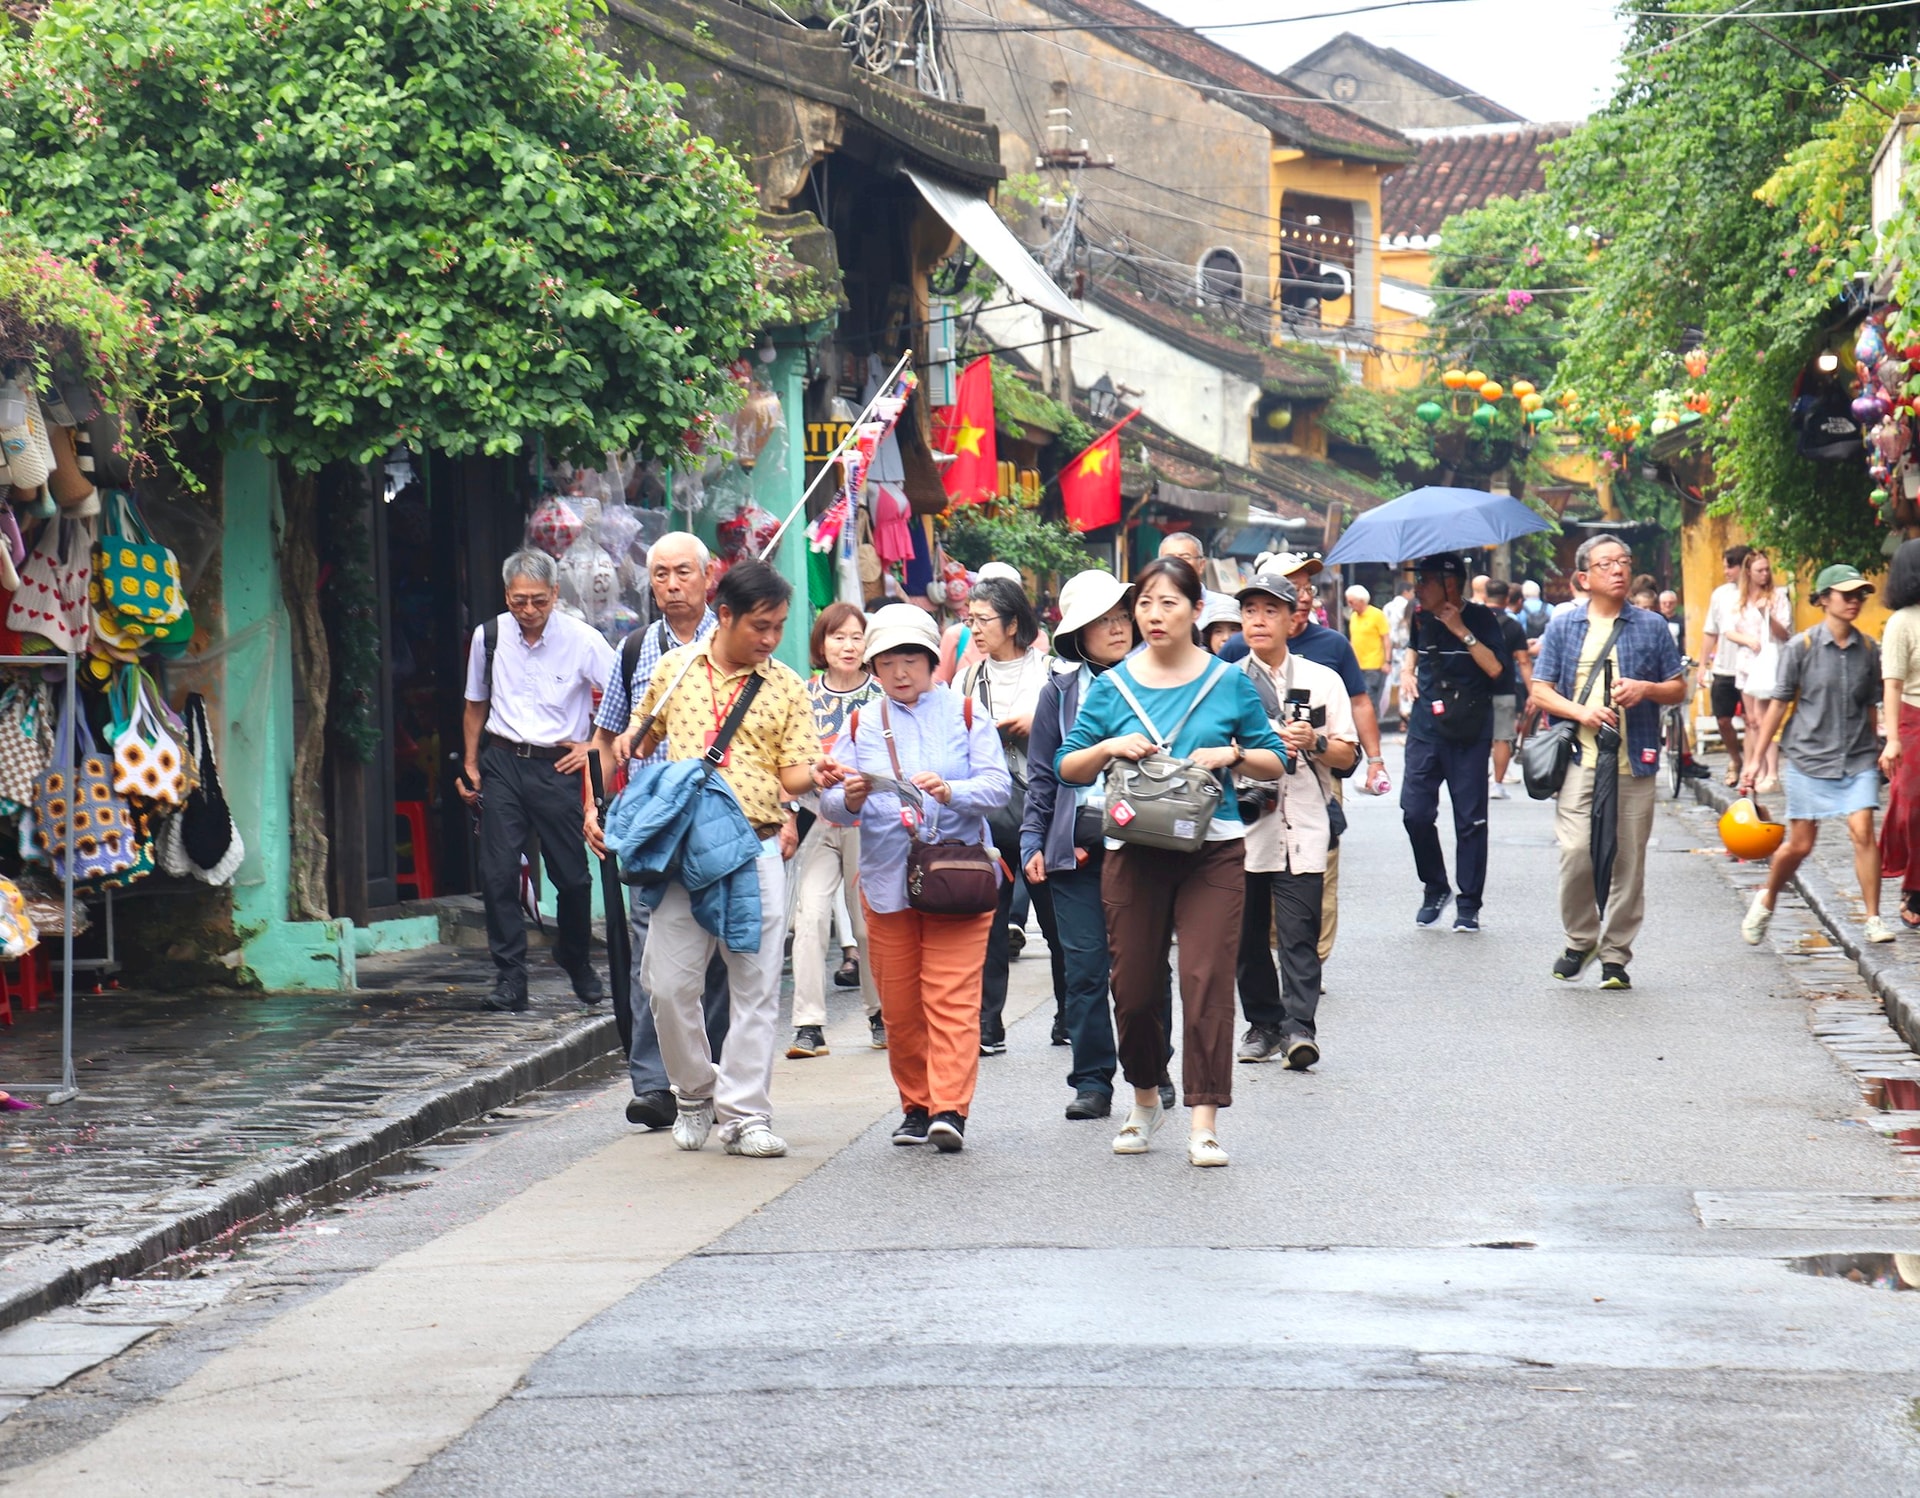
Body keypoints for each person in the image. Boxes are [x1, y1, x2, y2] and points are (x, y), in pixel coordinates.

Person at [1056, 557, 1287, 1168]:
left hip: (1212, 851)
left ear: (1195, 611)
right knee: (1132, 990)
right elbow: (1067, 766)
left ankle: (1204, 1122)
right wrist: (1108, 745)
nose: (1155, 616)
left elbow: (1274, 761)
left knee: (1205, 980)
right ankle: (1146, 1097)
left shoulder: (1228, 682)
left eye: (1169, 603)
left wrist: (1231, 753)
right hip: (1133, 851)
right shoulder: (1112, 687)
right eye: (1145, 604)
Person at [609, 560, 834, 1159]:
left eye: (779, 626)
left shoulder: (785, 683)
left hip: (757, 847)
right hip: (685, 854)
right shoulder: (672, 669)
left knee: (755, 985)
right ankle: (692, 1089)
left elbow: (792, 772)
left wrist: (819, 773)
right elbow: (638, 741)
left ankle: (745, 1115)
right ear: (726, 615)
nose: (770, 638)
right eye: (760, 625)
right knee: (665, 981)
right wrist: (626, 747)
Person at [822, 606, 1010, 1153]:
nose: (901, 671)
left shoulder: (968, 714)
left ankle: (950, 1107)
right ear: (874, 667)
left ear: (932, 661)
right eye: (888, 661)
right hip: (886, 879)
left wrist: (953, 792)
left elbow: (998, 786)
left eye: (912, 658)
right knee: (901, 1006)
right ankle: (916, 1105)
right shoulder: (858, 724)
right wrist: (848, 796)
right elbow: (831, 803)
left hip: (956, 876)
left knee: (951, 997)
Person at [587, 532, 727, 1129]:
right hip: (649, 827)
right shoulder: (635, 649)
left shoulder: (735, 644)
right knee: (651, 959)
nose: (672, 585)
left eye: (683, 573)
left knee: (717, 957)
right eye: (661, 575)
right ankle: (654, 1084)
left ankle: (711, 1072)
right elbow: (605, 737)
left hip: (719, 823)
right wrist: (592, 808)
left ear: (707, 576)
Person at [461, 549, 615, 1013]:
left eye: (538, 601)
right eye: (519, 601)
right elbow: (474, 704)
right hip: (503, 762)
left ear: (555, 595)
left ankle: (574, 955)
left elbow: (624, 697)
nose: (528, 611)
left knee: (572, 878)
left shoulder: (583, 640)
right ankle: (510, 977)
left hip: (558, 767)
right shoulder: (488, 636)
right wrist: (469, 763)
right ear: (507, 594)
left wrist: (590, 746)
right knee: (498, 873)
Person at [1530, 534, 1687, 990]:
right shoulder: (1564, 626)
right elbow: (1541, 690)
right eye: (1606, 564)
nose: (1618, 570)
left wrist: (1645, 690)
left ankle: (1615, 955)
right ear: (1584, 577)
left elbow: (1677, 688)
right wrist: (1582, 712)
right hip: (1581, 757)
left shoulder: (1652, 626)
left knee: (1629, 859)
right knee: (1576, 851)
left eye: (1623, 562)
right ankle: (1580, 938)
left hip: (1634, 758)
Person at [1022, 570, 1142, 1121]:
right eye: (1103, 621)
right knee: (1086, 967)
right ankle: (1093, 1080)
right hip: (1075, 847)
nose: (1117, 628)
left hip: (1144, 843)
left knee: (1140, 968)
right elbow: (1043, 775)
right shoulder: (1061, 692)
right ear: (1079, 634)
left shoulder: (1157, 680)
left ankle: (1150, 1070)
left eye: (1122, 617)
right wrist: (1032, 841)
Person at [1233, 570, 1358, 1068]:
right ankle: (1262, 1024)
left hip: (1304, 822)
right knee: (1246, 937)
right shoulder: (1227, 681)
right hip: (1242, 828)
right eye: (1249, 611)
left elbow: (1348, 755)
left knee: (1298, 932)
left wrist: (1318, 743)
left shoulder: (1321, 680)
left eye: (1269, 612)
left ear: (1292, 619)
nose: (1258, 621)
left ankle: (1299, 1029)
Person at [1740, 565, 1894, 948]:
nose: (1855, 601)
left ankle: (1873, 917)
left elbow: (1871, 703)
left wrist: (1880, 746)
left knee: (1862, 832)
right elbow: (1777, 705)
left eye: (1860, 595)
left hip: (1857, 756)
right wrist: (1756, 759)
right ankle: (1768, 897)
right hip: (1809, 757)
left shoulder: (1869, 649)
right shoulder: (1802, 647)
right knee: (1801, 845)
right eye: (1846, 595)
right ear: (1824, 599)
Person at [960, 574, 1063, 1057]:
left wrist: (1032, 727)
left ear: (1013, 622)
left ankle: (1069, 1012)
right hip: (988, 815)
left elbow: (1073, 734)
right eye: (970, 620)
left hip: (1041, 811)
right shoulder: (968, 678)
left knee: (1057, 920)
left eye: (983, 620)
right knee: (989, 920)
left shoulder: (1052, 672)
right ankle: (987, 1023)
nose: (975, 630)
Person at [786, 603, 883, 1059]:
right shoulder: (802, 696)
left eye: (856, 637)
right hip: (818, 822)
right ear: (821, 645)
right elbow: (787, 759)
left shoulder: (883, 697)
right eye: (837, 636)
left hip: (869, 823)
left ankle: (879, 1013)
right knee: (809, 917)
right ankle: (808, 1026)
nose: (847, 645)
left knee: (865, 926)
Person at [1398, 552, 1512, 932]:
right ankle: (1435, 886)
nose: (1418, 588)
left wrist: (1461, 629)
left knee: (1470, 819)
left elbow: (1496, 669)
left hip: (1469, 731)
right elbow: (1413, 649)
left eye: (1425, 581)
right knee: (1414, 812)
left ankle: (1469, 902)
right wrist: (1406, 671)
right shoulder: (1419, 616)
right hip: (1425, 728)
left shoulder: (1482, 618)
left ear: (1450, 583)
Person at [1879, 540, 1920, 929]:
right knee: (1911, 806)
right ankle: (1913, 884)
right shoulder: (1901, 621)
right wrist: (1892, 739)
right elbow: (1892, 684)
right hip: (1912, 719)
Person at [1731, 550, 1792, 793]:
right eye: (1759, 570)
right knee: (1753, 720)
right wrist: (1746, 640)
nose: (1764, 574)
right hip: (1748, 663)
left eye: (1767, 569)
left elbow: (1785, 633)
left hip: (1769, 663)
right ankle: (1757, 770)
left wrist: (1767, 614)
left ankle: (1772, 773)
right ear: (1749, 572)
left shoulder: (1777, 598)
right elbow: (1729, 629)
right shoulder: (1740, 599)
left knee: (1768, 719)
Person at [935, 560, 1049, 684]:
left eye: (983, 619)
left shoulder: (1037, 641)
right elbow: (938, 688)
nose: (975, 629)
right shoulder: (956, 637)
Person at [1699, 543, 1751, 785]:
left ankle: (1751, 765)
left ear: (1743, 567)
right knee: (1723, 719)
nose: (1726, 571)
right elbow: (1710, 631)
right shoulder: (1720, 594)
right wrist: (1702, 665)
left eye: (1730, 566)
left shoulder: (1756, 593)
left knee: (1753, 720)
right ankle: (1735, 758)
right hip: (1723, 667)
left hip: (1750, 669)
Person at [1486, 579, 1532, 799]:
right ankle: (1496, 783)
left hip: (1475, 690)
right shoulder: (1513, 626)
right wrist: (1534, 692)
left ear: (1486, 597)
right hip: (1504, 688)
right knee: (1502, 737)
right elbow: (1523, 662)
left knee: (1477, 737)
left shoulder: (1475, 622)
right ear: (1506, 599)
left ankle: (1477, 780)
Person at [1346, 584, 1391, 714]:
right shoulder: (1353, 617)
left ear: (1361, 601)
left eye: (1351, 602)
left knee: (1370, 698)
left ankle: (1372, 729)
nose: (1349, 605)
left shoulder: (1377, 614)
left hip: (1373, 665)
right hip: (1357, 665)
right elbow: (1353, 639)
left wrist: (1387, 661)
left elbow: (1386, 639)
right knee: (1358, 698)